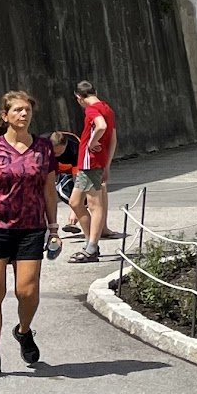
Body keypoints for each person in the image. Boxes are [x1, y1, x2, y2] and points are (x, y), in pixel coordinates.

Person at [0, 90, 60, 381]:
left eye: (27, 110)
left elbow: (49, 190)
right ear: (5, 116)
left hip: (30, 227)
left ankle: (23, 331)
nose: (24, 114)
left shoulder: (43, 148)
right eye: (17, 110)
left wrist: (53, 228)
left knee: (27, 291)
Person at [70, 79, 117, 262]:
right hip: (94, 164)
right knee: (75, 202)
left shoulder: (92, 109)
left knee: (94, 205)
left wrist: (92, 142)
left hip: (90, 162)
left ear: (79, 97)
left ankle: (91, 247)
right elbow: (113, 138)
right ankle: (91, 242)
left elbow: (102, 127)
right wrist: (107, 164)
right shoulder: (107, 108)